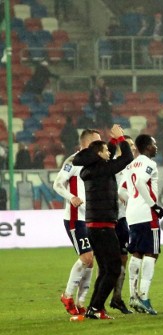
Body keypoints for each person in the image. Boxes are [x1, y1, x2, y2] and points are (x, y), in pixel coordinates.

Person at [72, 124, 134, 319]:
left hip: (95, 225)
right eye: (106, 150)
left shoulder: (92, 169)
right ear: (99, 154)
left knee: (106, 269)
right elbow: (127, 158)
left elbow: (109, 155)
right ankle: (96, 307)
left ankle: (94, 309)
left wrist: (113, 142)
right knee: (114, 268)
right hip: (103, 225)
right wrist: (121, 138)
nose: (109, 152)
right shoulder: (103, 169)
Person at [54, 129, 101, 316]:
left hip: (90, 217)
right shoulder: (73, 161)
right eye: (97, 142)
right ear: (87, 144)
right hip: (75, 217)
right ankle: (67, 295)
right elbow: (57, 184)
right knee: (87, 258)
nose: (101, 146)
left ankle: (81, 303)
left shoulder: (95, 162)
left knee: (90, 262)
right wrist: (72, 197)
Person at [123, 134, 162, 315]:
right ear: (147, 147)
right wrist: (153, 205)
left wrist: (132, 203)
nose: (156, 146)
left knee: (137, 253)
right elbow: (139, 182)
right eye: (154, 144)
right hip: (147, 213)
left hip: (132, 213)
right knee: (151, 253)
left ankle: (133, 296)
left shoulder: (130, 165)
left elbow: (121, 190)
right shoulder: (149, 163)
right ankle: (144, 297)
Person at [111, 135, 136, 314]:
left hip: (125, 218)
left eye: (134, 145)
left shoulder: (133, 166)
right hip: (111, 218)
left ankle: (117, 298)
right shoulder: (112, 165)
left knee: (123, 258)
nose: (133, 148)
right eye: (129, 145)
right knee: (105, 262)